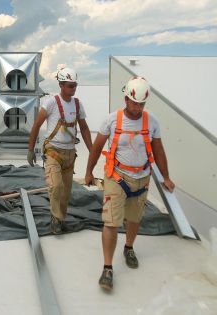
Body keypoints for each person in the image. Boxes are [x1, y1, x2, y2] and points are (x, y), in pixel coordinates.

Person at [84, 76, 175, 290]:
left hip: (142, 177)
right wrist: (88, 172)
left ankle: (129, 247)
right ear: (126, 99)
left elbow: (159, 150)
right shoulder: (111, 120)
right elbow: (97, 148)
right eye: (134, 103)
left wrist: (167, 177)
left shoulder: (152, 122)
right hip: (117, 177)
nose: (137, 108)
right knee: (111, 222)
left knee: (134, 220)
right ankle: (107, 268)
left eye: (141, 104)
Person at [27, 67, 93, 234]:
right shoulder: (50, 103)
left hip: (70, 154)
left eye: (75, 85)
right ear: (61, 85)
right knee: (56, 186)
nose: (73, 88)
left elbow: (84, 128)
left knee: (65, 192)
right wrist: (30, 150)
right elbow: (36, 125)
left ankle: (60, 218)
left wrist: (93, 150)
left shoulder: (78, 105)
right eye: (70, 85)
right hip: (53, 151)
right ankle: (55, 218)